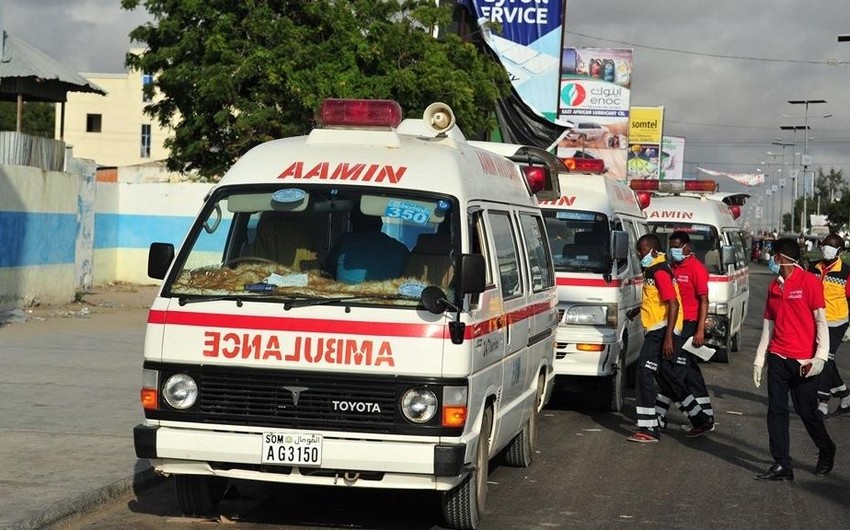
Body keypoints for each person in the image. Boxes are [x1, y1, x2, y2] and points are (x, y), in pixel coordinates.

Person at [753, 238, 835, 480]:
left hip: (803, 362)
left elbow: (822, 322)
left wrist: (819, 358)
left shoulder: (809, 282)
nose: (770, 259)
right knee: (776, 411)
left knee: (806, 411)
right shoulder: (774, 287)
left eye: (772, 255)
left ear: (780, 257)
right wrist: (760, 359)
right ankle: (782, 464)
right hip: (778, 357)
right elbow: (768, 324)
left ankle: (827, 448)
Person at [626, 234, 712, 443]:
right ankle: (700, 418)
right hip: (661, 329)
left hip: (662, 330)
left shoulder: (660, 271)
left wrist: (668, 338)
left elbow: (673, 304)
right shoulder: (657, 269)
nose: (640, 254)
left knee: (645, 372)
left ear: (654, 251)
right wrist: (638, 310)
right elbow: (658, 300)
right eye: (639, 250)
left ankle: (649, 427)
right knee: (668, 377)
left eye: (643, 250)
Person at [654, 232, 715, 436]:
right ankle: (706, 416)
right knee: (689, 373)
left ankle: (659, 415)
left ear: (688, 247)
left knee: (673, 373)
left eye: (678, 247)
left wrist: (700, 329)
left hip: (689, 324)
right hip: (676, 324)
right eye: (671, 246)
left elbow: (704, 301)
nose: (674, 251)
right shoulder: (672, 267)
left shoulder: (696, 269)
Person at [809, 233, 850, 417]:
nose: (827, 248)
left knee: (825, 358)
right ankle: (844, 394)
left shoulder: (846, 272)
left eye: (832, 245)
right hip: (817, 321)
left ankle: (823, 402)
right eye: (825, 244)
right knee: (826, 359)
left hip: (837, 323)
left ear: (839, 251)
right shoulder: (813, 268)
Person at [327, 207, 409, 284]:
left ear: (357, 223)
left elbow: (328, 273)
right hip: (388, 298)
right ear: (381, 223)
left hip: (344, 297)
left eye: (353, 221)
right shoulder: (401, 249)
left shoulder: (345, 241)